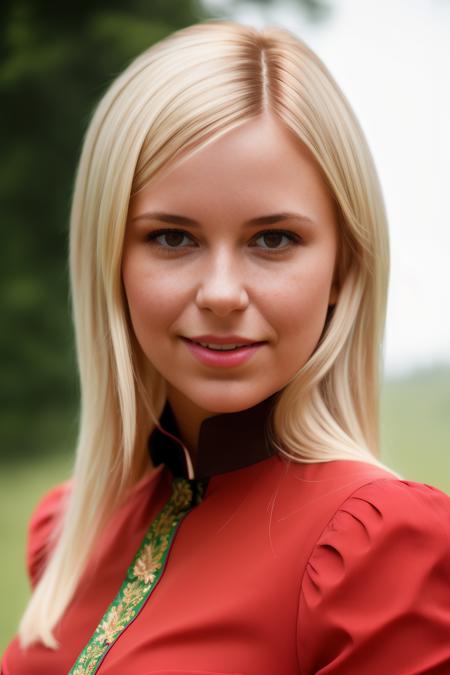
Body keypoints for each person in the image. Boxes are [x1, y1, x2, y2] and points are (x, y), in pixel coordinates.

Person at [2, 18, 450, 675]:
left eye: (272, 239)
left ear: (343, 268)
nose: (221, 293)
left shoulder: (382, 549)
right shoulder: (67, 528)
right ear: (110, 260)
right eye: (172, 237)